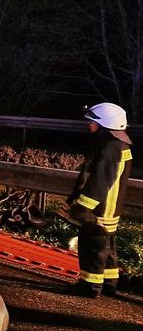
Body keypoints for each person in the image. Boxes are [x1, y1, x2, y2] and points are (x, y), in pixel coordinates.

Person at [66, 102, 132, 298]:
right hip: (111, 208)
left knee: (92, 246)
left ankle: (90, 286)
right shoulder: (120, 145)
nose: (89, 125)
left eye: (93, 122)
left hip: (100, 208)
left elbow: (100, 181)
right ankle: (109, 283)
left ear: (106, 125)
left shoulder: (110, 148)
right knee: (107, 245)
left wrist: (84, 207)